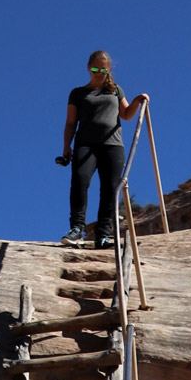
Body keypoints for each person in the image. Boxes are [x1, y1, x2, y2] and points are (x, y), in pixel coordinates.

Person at [56, 52, 148, 248]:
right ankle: (76, 229)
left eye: (103, 69)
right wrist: (66, 146)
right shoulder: (78, 93)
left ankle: (103, 235)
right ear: (88, 68)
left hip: (112, 145)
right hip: (85, 144)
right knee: (80, 181)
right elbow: (71, 122)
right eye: (95, 69)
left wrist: (138, 100)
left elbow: (126, 115)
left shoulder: (116, 91)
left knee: (109, 190)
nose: (99, 73)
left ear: (109, 70)